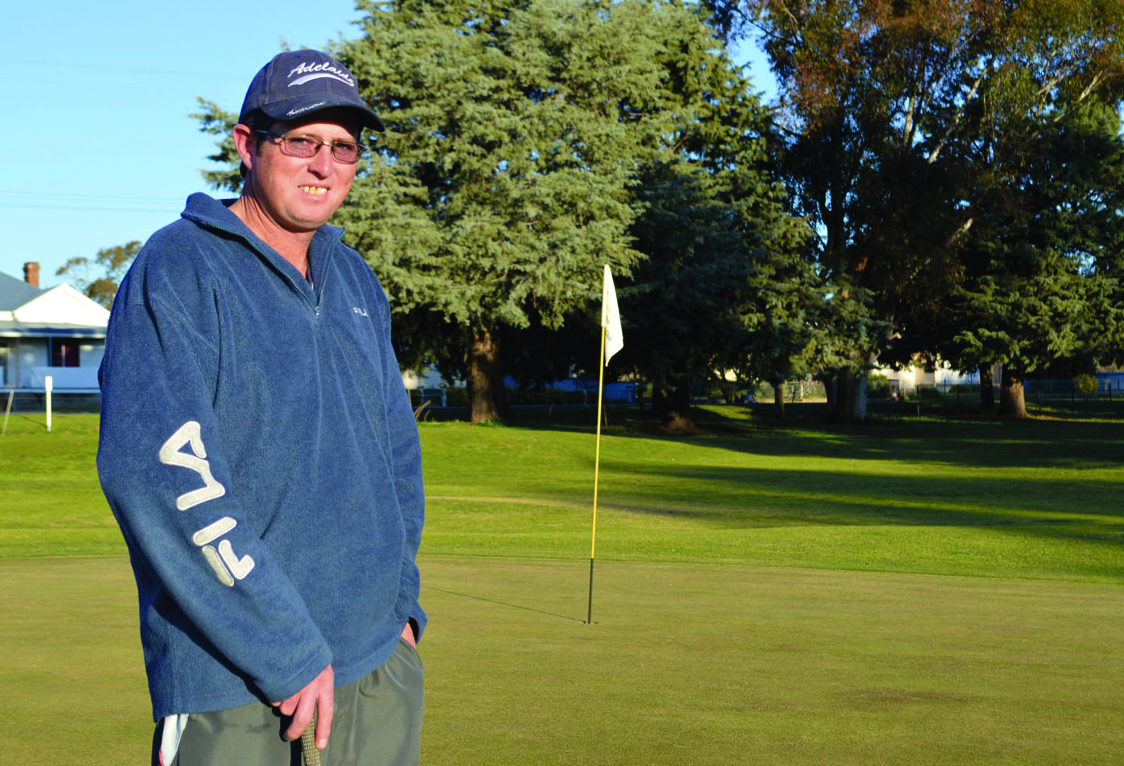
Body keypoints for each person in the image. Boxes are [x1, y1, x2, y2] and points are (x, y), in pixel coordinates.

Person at [97, 49, 426, 766]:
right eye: (300, 140)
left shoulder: (355, 279)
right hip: (232, 682)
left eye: (343, 148)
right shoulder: (180, 267)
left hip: (375, 662)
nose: (322, 165)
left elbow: (395, 454)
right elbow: (162, 475)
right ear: (248, 146)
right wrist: (285, 647)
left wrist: (401, 604)